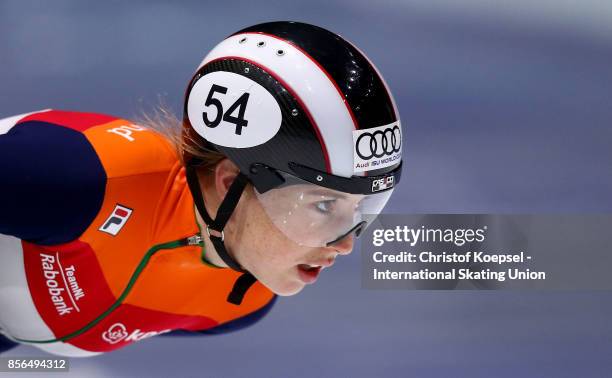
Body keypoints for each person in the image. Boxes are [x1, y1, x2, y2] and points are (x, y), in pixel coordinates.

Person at [0, 21, 403, 357]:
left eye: (360, 207)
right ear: (229, 181)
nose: (346, 244)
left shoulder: (242, 304)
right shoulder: (85, 178)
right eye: (322, 205)